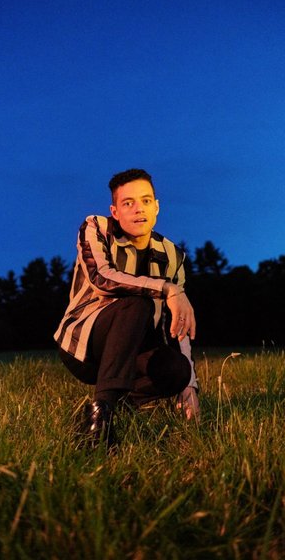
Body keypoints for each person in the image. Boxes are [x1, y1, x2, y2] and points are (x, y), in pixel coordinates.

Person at [54, 168, 199, 447]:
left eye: (146, 200)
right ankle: (100, 421)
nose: (138, 209)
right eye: (128, 203)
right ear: (115, 211)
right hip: (84, 346)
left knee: (177, 371)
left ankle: (116, 405)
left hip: (132, 350)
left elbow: (177, 326)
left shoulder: (172, 255)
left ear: (156, 207)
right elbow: (101, 278)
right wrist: (166, 288)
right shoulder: (96, 228)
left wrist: (189, 387)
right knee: (136, 304)